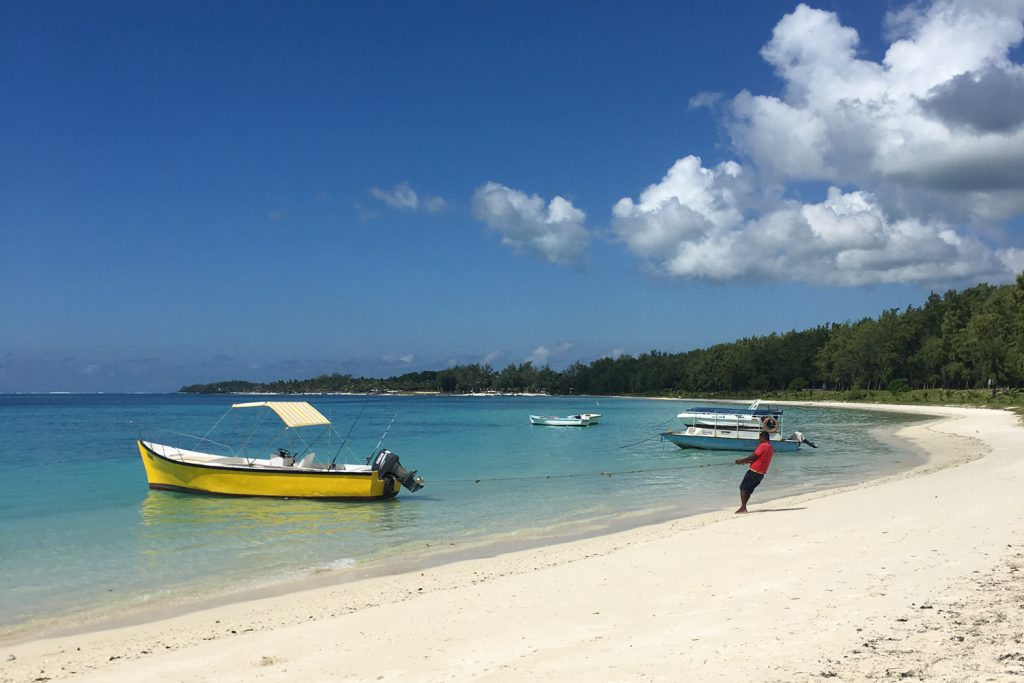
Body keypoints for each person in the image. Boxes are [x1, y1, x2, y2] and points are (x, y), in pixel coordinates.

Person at [734, 430, 774, 514]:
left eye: (760, 438)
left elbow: (754, 456)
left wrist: (742, 460)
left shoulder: (763, 445)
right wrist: (745, 462)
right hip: (761, 474)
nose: (759, 440)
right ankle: (743, 507)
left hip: (754, 472)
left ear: (763, 438)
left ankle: (743, 508)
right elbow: (760, 459)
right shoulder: (770, 447)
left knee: (743, 488)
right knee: (748, 490)